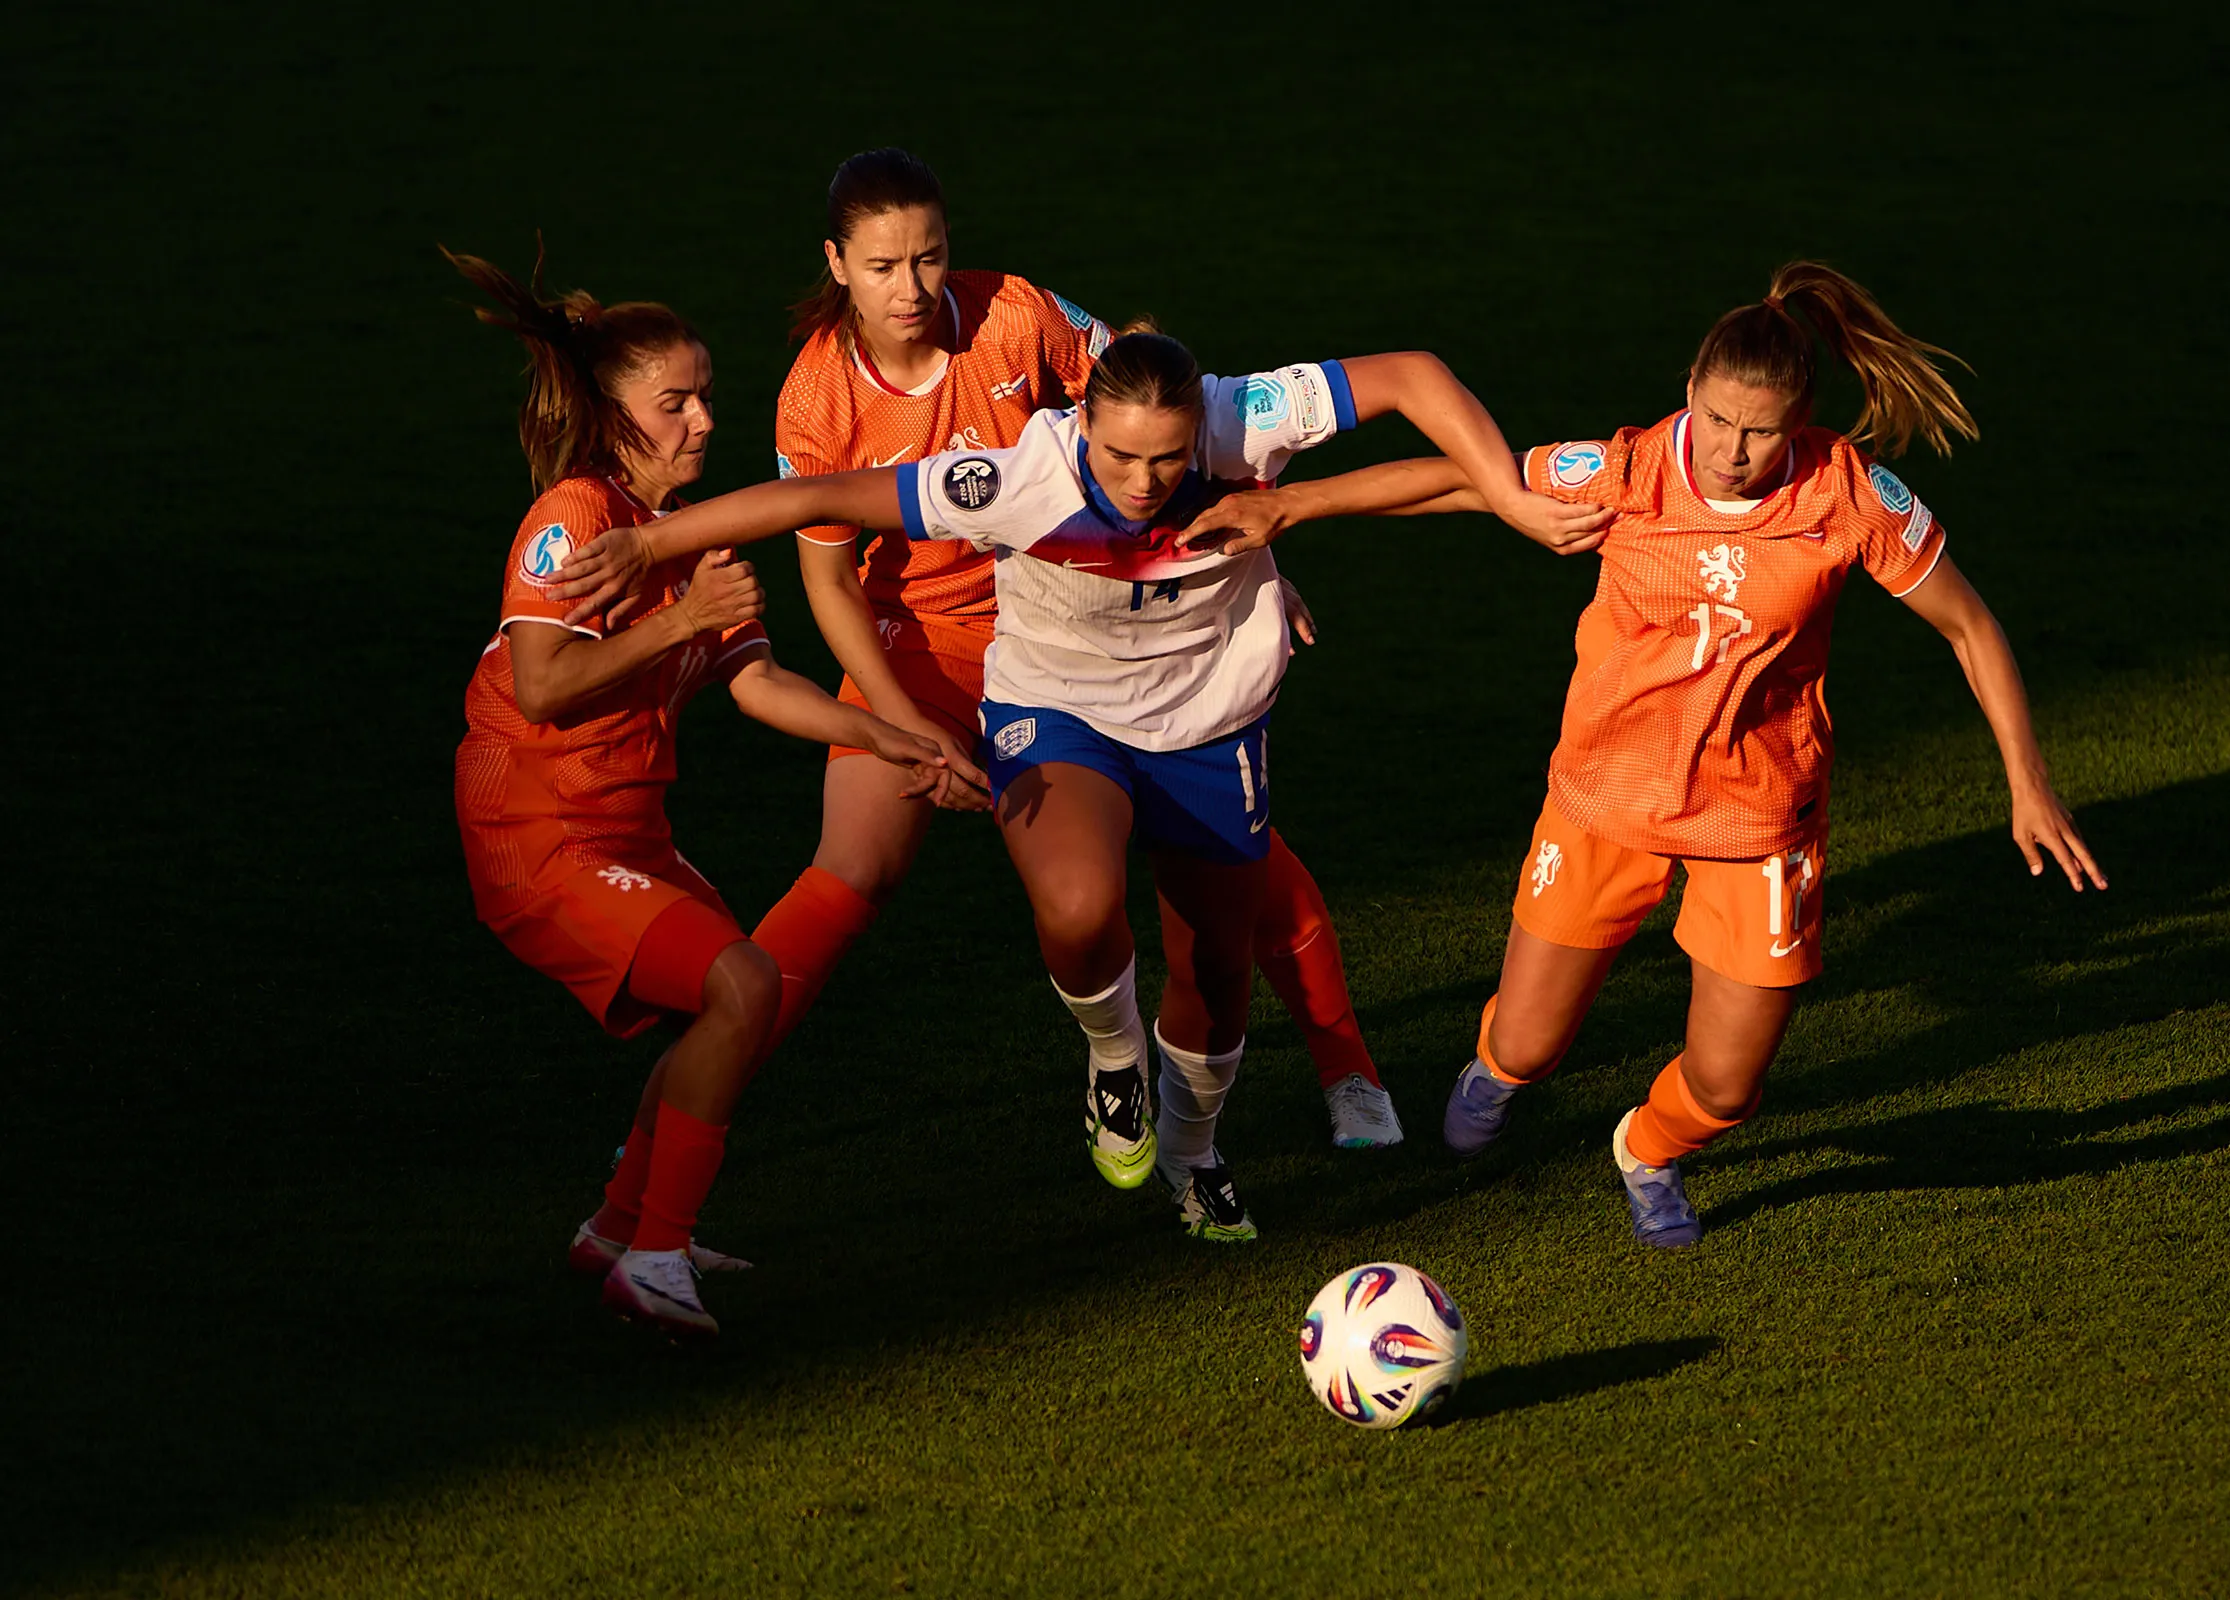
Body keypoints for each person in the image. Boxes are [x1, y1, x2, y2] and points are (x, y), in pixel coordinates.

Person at [549, 330, 1598, 1237]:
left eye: (1170, 458)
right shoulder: (1017, 479)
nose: (1143, 483)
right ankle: (1110, 1057)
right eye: (1119, 455)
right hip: (1060, 712)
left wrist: (1443, 498)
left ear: (1205, 430)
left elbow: (1414, 375)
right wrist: (649, 538)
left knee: (1217, 975)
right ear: (1080, 426)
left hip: (1210, 723)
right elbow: (816, 495)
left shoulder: (1246, 419)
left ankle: (1193, 1155)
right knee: (1081, 899)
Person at [1175, 261, 2107, 1250]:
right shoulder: (1630, 471)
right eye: (1714, 418)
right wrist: (1289, 507)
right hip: (1603, 801)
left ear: (1801, 420)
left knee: (1727, 1083)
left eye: (1760, 431)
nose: (1731, 451)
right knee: (1527, 1045)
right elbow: (1464, 483)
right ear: (1690, 393)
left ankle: (1647, 1149)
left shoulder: (1849, 496)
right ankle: (1493, 1073)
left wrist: (2028, 782)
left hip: (1758, 818)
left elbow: (1968, 626)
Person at [754, 148, 1405, 1149]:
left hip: (1074, 622)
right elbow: (829, 583)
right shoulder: (816, 401)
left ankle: (1347, 1064)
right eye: (884, 266)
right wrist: (900, 727)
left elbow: (1151, 415)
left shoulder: (1018, 312)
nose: (913, 288)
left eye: (929, 257)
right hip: (920, 646)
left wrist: (1248, 564)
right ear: (837, 264)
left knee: (1242, 860)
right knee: (850, 867)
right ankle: (700, 1091)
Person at [446, 248, 945, 1337]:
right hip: (538, 833)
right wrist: (679, 616)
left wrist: (895, 739)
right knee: (739, 988)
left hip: (623, 825)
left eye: (706, 396)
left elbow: (760, 682)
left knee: (735, 997)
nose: (704, 421)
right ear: (612, 413)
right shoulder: (574, 520)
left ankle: (623, 1230)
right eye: (674, 402)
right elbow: (543, 684)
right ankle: (655, 1252)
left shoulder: (682, 541)